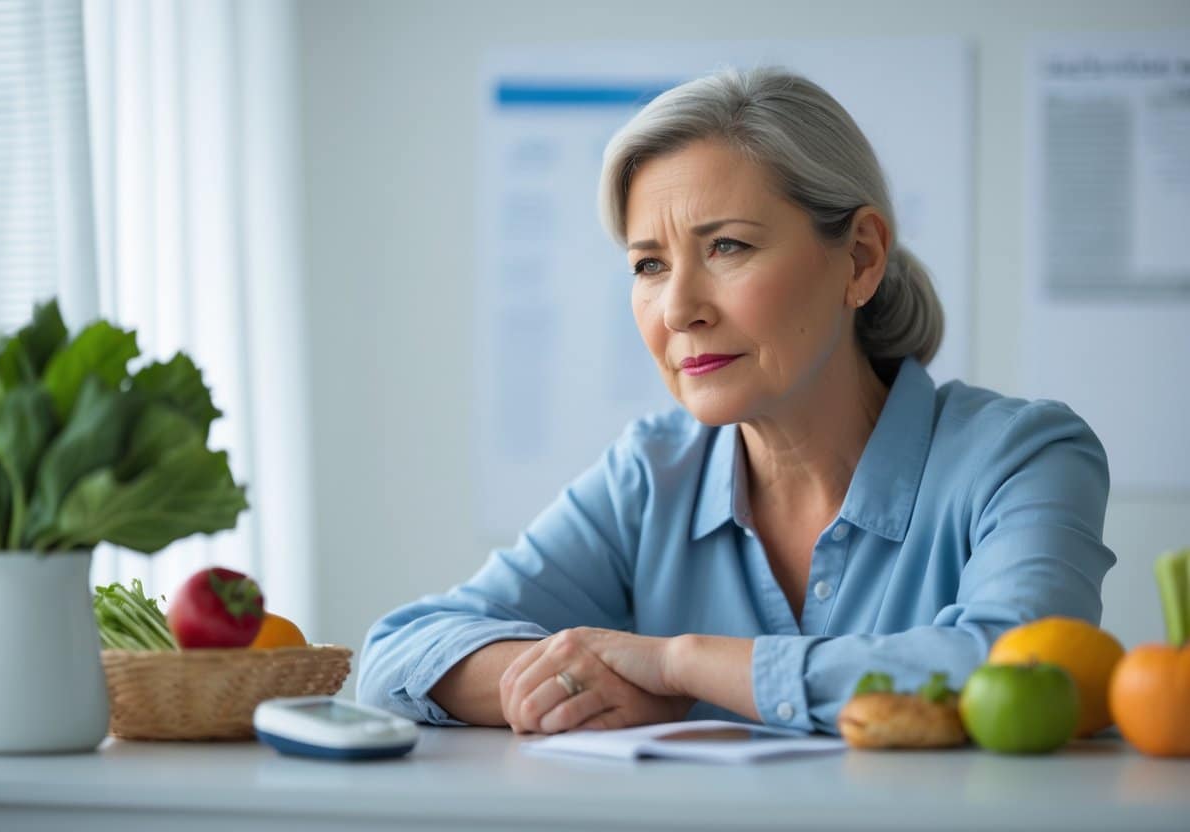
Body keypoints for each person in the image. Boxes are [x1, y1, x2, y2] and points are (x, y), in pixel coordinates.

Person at [356, 67, 1115, 736]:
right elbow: (400, 652)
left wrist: (683, 667)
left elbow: (1020, 670)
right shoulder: (649, 475)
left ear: (859, 258)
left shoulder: (1024, 457)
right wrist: (576, 681)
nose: (678, 308)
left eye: (727, 247)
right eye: (648, 264)